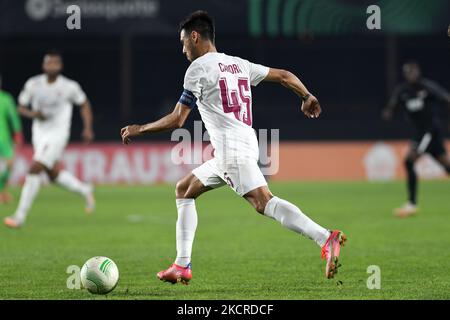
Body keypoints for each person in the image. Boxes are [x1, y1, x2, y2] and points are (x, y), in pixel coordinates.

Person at [121, 11, 346, 283]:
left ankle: (325, 237)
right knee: (184, 189)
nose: (183, 50)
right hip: (243, 143)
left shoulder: (198, 68)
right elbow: (285, 75)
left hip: (231, 151)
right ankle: (181, 265)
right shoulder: (238, 64)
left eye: (183, 42)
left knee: (264, 203)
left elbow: (177, 120)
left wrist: (139, 128)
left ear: (195, 36)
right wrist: (307, 96)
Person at [4, 50, 96, 228]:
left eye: (55, 63)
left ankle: (20, 216)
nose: (52, 66)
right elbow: (21, 107)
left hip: (58, 133)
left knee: (35, 168)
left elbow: (84, 104)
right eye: (49, 63)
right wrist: (33, 114)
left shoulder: (69, 86)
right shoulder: (33, 84)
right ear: (43, 65)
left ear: (60, 66)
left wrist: (88, 128)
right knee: (52, 174)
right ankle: (85, 189)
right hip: (39, 134)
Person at [382, 60, 450, 218]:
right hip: (419, 133)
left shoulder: (427, 87)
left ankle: (412, 204)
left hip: (430, 131)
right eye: (408, 72)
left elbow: (446, 99)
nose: (411, 75)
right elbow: (392, 105)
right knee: (446, 166)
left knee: (409, 161)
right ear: (405, 74)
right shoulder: (403, 91)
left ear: (418, 72)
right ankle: (411, 204)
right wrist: (389, 112)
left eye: (413, 71)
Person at [0, 74, 23, 203]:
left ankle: (2, 191)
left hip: (3, 138)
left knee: (10, 164)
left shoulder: (6, 98)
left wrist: (17, 133)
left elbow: (13, 117)